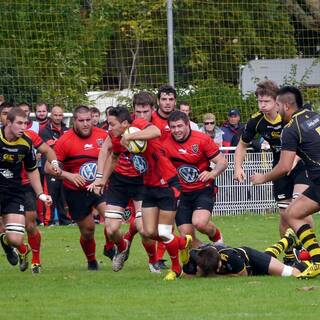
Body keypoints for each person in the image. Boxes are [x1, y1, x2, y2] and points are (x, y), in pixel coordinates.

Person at [234, 80, 311, 266]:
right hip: (280, 169)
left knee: (301, 208)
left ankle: (310, 251)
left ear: (277, 101)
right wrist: (238, 167)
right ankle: (290, 253)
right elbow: (242, 145)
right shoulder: (256, 121)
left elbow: (308, 143)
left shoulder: (291, 117)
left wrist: (293, 160)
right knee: (285, 215)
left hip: (300, 166)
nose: (262, 106)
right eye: (259, 102)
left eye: (266, 102)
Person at [250, 86, 320, 279]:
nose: (277, 110)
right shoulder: (314, 116)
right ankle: (317, 260)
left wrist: (262, 177)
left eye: (278, 105)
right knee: (292, 213)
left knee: (293, 214)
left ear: (287, 105)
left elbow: (284, 167)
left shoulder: (290, 129)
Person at [88, 105, 161, 273]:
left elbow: (156, 132)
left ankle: (153, 260)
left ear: (125, 123)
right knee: (111, 229)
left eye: (112, 124)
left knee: (144, 229)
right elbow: (113, 157)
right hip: (119, 183)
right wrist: (101, 180)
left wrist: (129, 136)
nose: (109, 128)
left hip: (142, 183)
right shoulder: (113, 136)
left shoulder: (139, 124)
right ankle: (122, 247)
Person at [45, 105, 108, 270]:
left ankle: (113, 246)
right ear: (74, 121)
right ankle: (91, 261)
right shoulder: (65, 140)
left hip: (99, 187)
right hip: (75, 191)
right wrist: (68, 175)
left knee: (112, 221)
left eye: (89, 120)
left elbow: (114, 157)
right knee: (88, 230)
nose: (86, 124)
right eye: (81, 121)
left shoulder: (103, 136)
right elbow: (48, 167)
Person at [164, 110, 227, 248]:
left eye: (179, 126)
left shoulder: (202, 139)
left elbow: (222, 162)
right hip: (181, 193)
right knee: (187, 237)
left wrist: (212, 173)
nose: (176, 130)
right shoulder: (165, 143)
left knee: (200, 223)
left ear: (187, 125)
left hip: (203, 189)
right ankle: (209, 253)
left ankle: (217, 238)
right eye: (173, 127)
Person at [0, 108, 52, 271]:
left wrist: (41, 194)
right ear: (8, 122)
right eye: (20, 123)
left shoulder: (26, 142)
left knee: (16, 237)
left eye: (26, 123)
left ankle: (23, 249)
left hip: (14, 191)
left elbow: (31, 168)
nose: (24, 127)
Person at [183, 228, 306, 277]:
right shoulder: (195, 257)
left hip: (250, 260)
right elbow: (183, 274)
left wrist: (216, 277)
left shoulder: (231, 258)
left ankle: (311, 263)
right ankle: (289, 239)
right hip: (249, 260)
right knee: (268, 257)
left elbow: (243, 275)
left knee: (290, 272)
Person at [40, 105, 71, 226]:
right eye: (55, 115)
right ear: (51, 115)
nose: (58, 117)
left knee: (64, 195)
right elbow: (49, 147)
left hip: (64, 167)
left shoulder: (67, 129)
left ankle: (66, 221)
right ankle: (49, 221)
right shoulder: (45, 130)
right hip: (50, 167)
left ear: (63, 116)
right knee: (50, 194)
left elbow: (69, 145)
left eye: (60, 115)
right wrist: (63, 143)